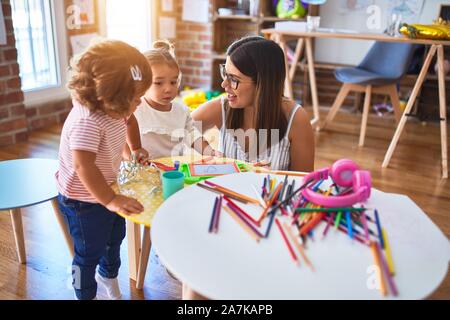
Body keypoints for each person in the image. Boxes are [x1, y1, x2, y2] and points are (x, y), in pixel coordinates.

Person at [55, 39, 152, 300]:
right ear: (113, 97)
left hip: (108, 187)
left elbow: (129, 121)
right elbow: (83, 165)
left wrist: (135, 149)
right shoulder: (87, 122)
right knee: (87, 253)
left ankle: (107, 276)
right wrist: (111, 200)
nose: (140, 103)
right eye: (136, 98)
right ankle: (83, 291)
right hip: (81, 199)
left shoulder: (115, 105)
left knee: (114, 238)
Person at [192, 36, 315, 172]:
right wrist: (209, 152)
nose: (224, 84)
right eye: (225, 74)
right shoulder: (223, 107)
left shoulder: (296, 119)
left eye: (234, 79)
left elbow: (303, 184)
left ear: (263, 84)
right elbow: (181, 127)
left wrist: (269, 177)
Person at [126, 40, 221, 161]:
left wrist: (210, 152)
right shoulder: (135, 108)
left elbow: (193, 136)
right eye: (159, 83)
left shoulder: (181, 111)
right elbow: (120, 136)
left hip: (173, 169)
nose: (168, 89)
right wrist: (130, 157)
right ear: (142, 82)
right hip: (142, 169)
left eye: (173, 82)